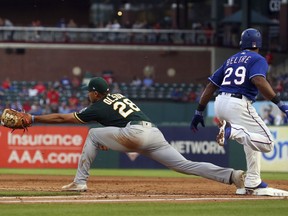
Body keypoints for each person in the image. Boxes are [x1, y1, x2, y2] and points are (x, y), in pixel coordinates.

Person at [31, 77, 244, 192]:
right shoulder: (118, 96)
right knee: (185, 165)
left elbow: (64, 119)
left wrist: (33, 119)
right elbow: (114, 121)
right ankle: (232, 176)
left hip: (134, 132)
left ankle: (79, 182)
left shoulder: (97, 105)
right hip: (152, 132)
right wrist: (110, 140)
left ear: (95, 93)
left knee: (93, 135)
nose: (88, 94)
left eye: (90, 91)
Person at [190, 28, 288, 195]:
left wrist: (199, 111)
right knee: (268, 143)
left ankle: (253, 181)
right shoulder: (258, 58)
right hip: (238, 103)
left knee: (251, 140)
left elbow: (211, 85)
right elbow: (258, 80)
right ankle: (232, 131)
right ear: (259, 44)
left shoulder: (231, 59)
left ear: (242, 43)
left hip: (220, 102)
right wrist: (280, 103)